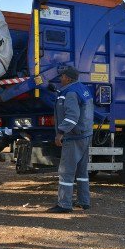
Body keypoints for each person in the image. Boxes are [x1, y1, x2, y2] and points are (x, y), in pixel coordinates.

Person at [47, 66, 94, 213]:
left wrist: (60, 133)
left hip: (73, 137)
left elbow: (72, 116)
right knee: (82, 172)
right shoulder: (82, 89)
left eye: (62, 77)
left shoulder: (70, 93)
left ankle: (64, 204)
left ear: (68, 78)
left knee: (66, 172)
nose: (60, 78)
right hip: (85, 135)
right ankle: (84, 201)